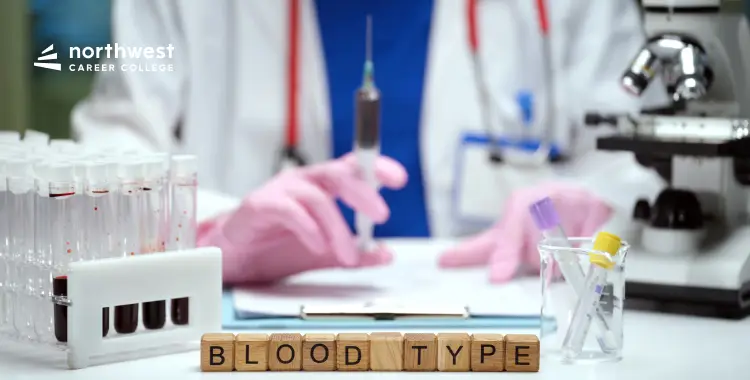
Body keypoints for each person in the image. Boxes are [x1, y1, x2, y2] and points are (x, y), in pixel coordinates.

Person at [71, 0, 669, 284]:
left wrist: (590, 214)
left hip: (512, 336)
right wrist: (213, 234)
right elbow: (107, 165)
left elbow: (641, 167)